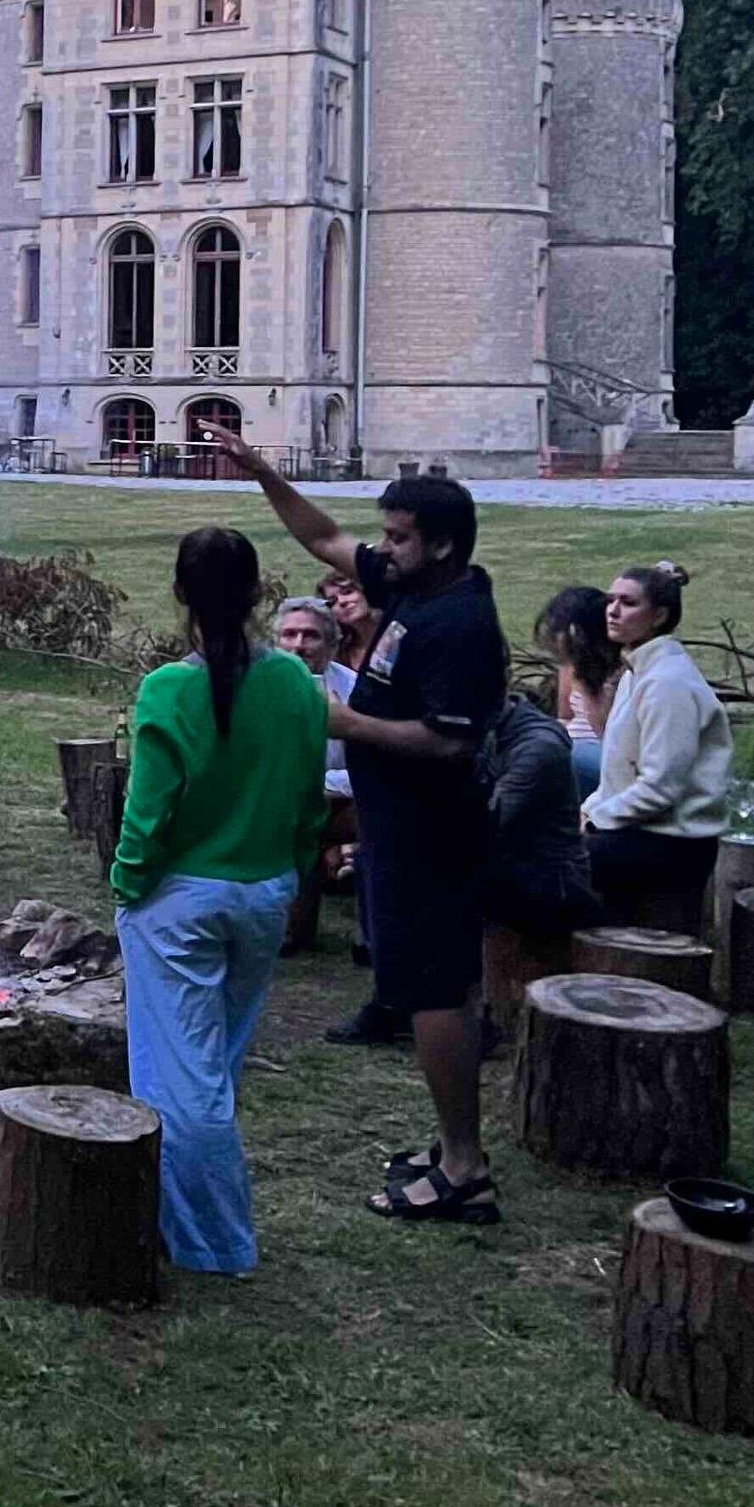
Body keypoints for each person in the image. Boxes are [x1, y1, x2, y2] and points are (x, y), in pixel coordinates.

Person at [201, 425, 509, 1226]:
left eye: (399, 538)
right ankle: (451, 1146)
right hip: (398, 822)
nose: (382, 548)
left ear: (439, 546)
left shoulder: (459, 625)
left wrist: (337, 721)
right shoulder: (418, 589)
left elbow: (451, 739)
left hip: (431, 832)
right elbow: (324, 535)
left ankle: (464, 1169)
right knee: (431, 986)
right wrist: (262, 469)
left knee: (434, 992)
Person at [109, 530, 327, 1275]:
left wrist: (129, 887)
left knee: (184, 1080)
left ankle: (212, 1245)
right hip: (263, 893)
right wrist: (292, 870)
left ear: (181, 595)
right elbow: (308, 797)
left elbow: (148, 815)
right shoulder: (297, 681)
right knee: (213, 1064)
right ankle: (180, 1207)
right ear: (260, 593)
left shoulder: (171, 688)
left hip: (183, 902)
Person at [583, 561, 730, 929]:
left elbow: (660, 787)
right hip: (640, 832)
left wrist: (594, 822)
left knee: (538, 865)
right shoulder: (637, 672)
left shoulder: (667, 683)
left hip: (671, 843)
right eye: (610, 600)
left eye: (628, 603)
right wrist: (585, 812)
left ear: (660, 615)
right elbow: (616, 776)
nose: (613, 611)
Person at [279, 592, 399, 1040]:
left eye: (310, 635)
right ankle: (291, 928)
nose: (299, 644)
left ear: (330, 643)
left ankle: (370, 938)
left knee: (380, 818)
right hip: (282, 808)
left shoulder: (354, 689)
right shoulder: (258, 688)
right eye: (289, 635)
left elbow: (374, 766)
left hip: (345, 804)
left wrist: (324, 787)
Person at [478, 692, 598, 942]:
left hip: (551, 889)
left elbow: (485, 825)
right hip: (515, 870)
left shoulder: (538, 747)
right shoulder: (493, 728)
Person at [536, 585, 622, 800]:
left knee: (559, 759)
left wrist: (589, 687)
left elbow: (611, 736)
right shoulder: (570, 666)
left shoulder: (622, 671)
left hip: (607, 757)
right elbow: (564, 717)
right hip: (571, 746)